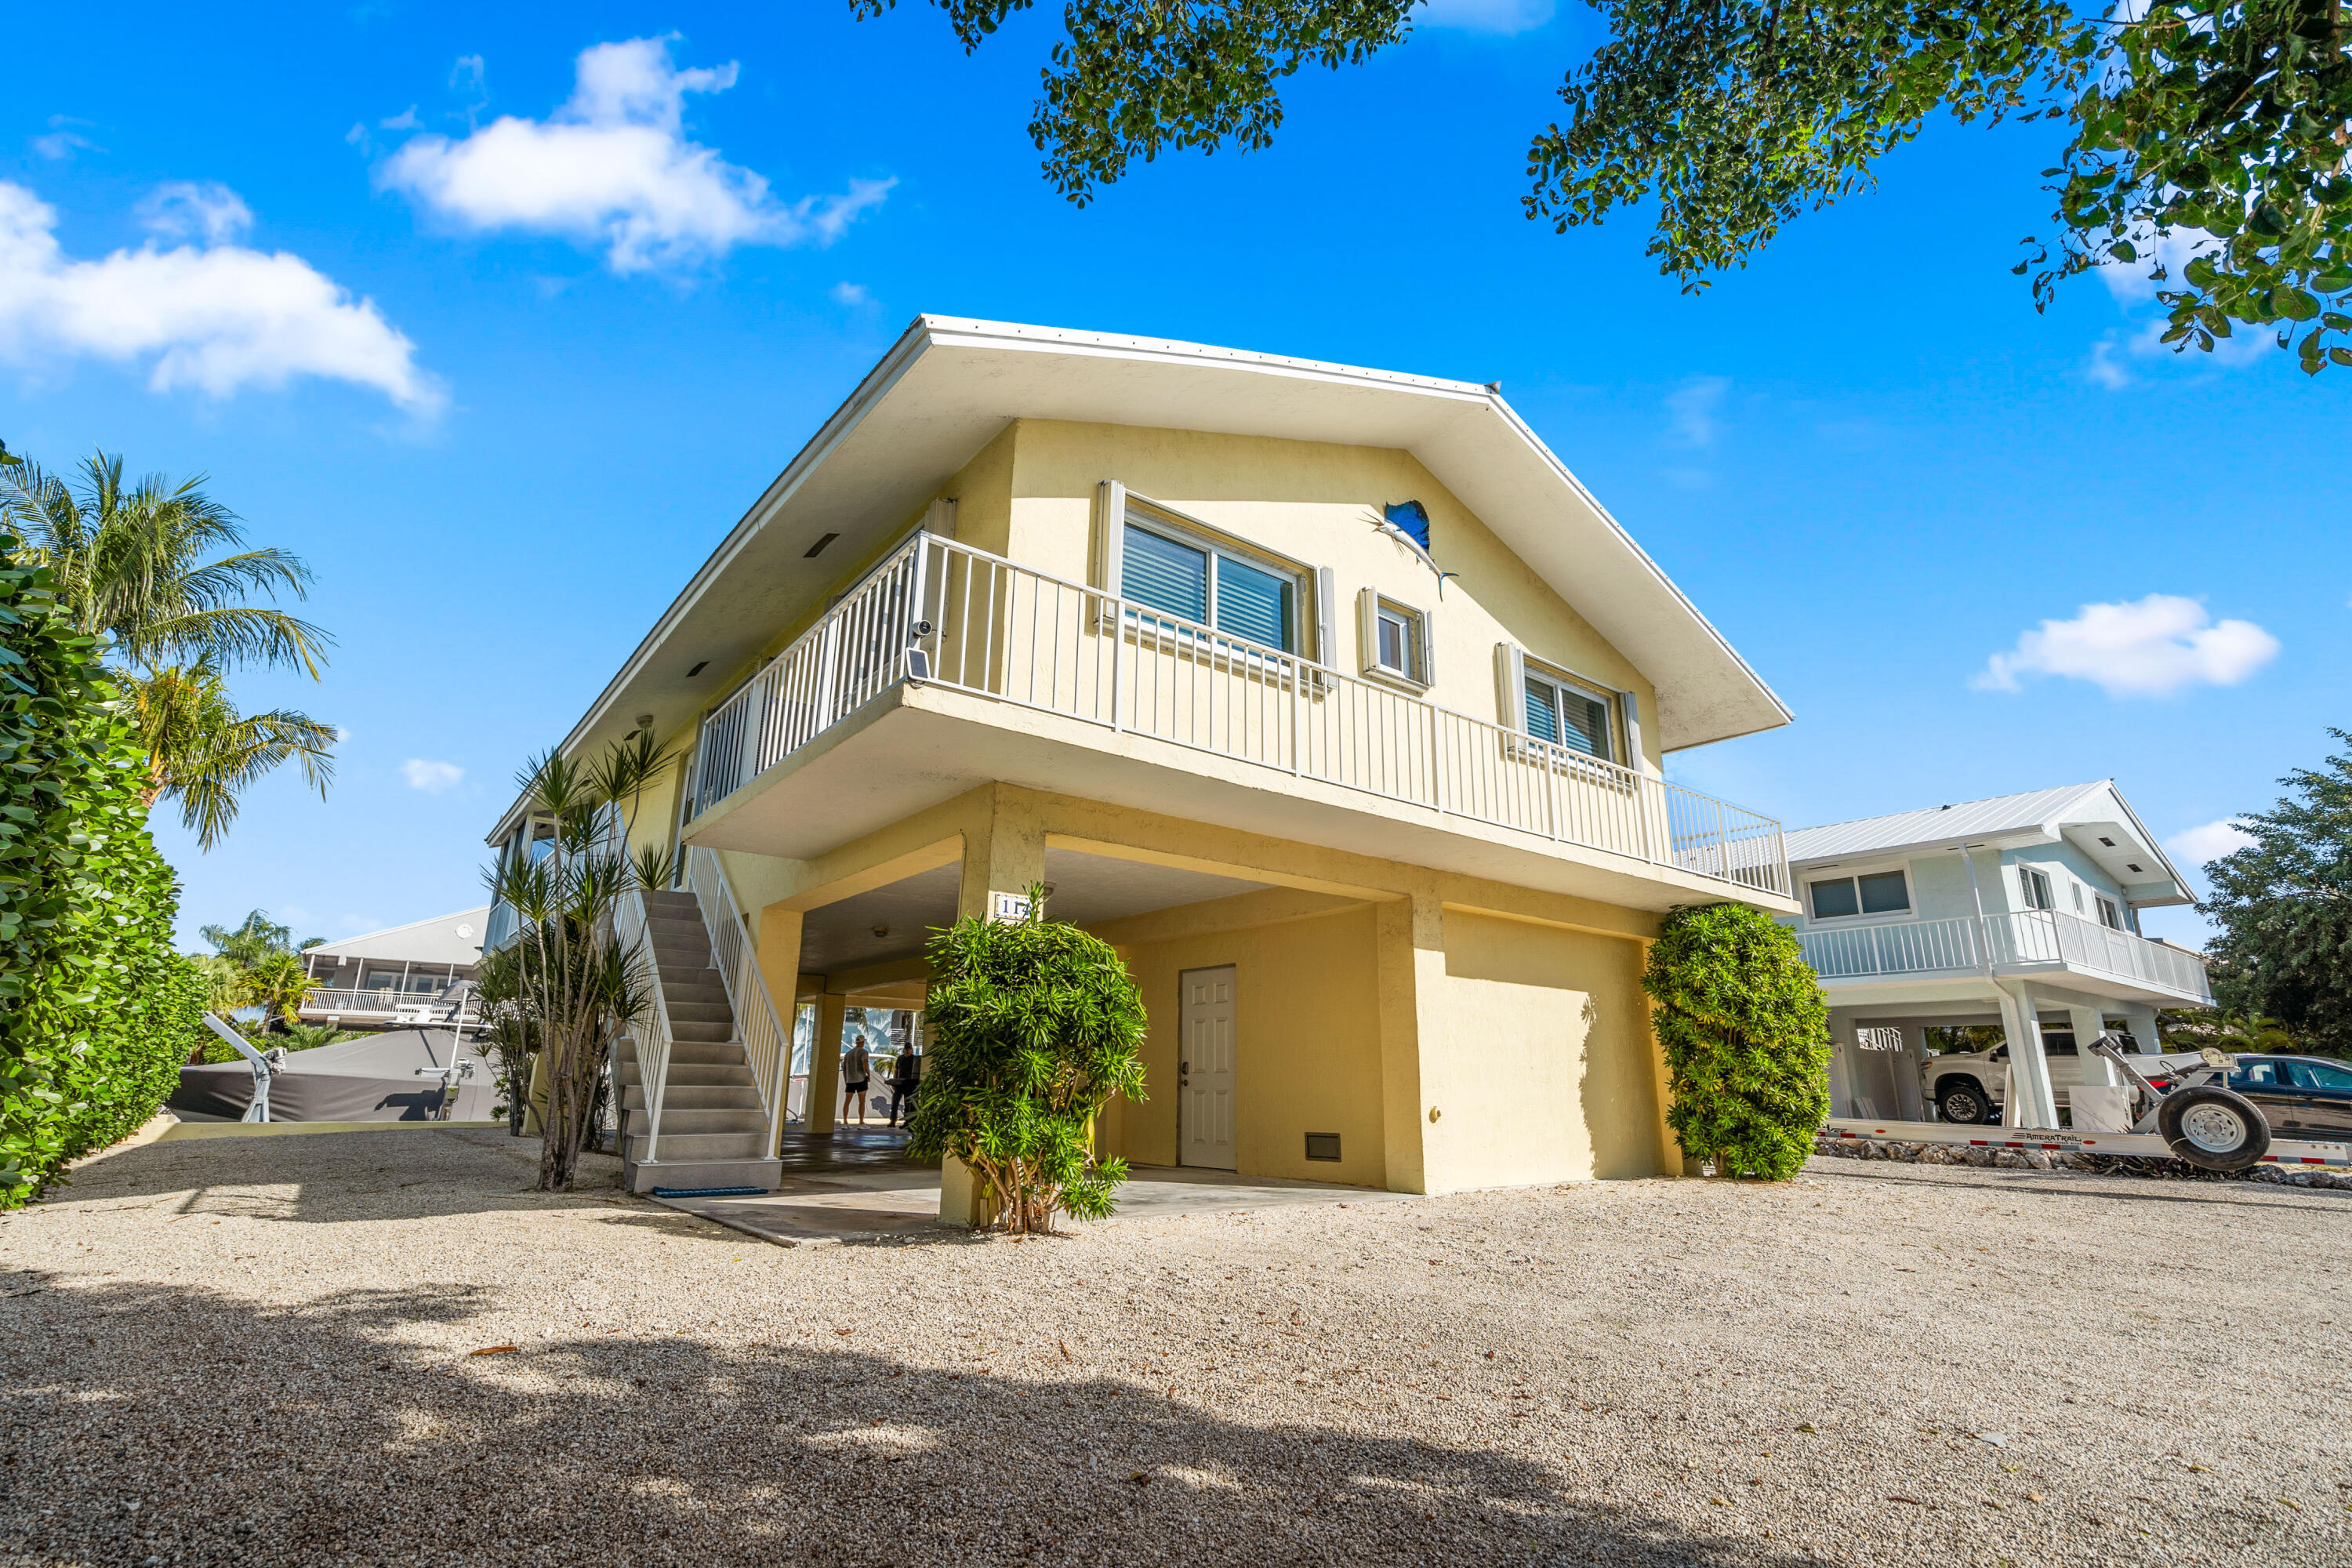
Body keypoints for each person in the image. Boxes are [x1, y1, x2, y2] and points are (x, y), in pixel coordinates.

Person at [840, 1033, 872, 1125]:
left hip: (850, 1080)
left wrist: (846, 1079)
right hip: (861, 1079)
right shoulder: (864, 1052)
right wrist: (869, 1074)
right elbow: (865, 1063)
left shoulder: (848, 1054)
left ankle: (845, 1122)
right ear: (862, 1042)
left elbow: (844, 1068)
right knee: (862, 1101)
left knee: (847, 1101)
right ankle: (861, 1122)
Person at [888, 1040, 921, 1127]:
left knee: (908, 1104)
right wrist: (894, 1082)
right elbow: (896, 1070)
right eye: (906, 1049)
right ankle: (893, 1121)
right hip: (899, 1083)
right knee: (895, 1102)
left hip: (909, 1084)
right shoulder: (900, 1058)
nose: (908, 1051)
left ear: (912, 1050)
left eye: (909, 1049)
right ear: (904, 1050)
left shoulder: (914, 1059)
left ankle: (907, 1122)